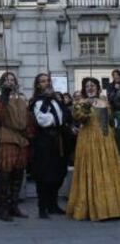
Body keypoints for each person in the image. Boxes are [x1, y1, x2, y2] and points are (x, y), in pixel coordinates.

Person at [67, 77, 120, 221]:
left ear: (98, 87)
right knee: (93, 170)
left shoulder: (105, 102)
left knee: (109, 171)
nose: (90, 88)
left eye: (93, 85)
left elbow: (110, 120)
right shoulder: (81, 102)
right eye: (87, 86)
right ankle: (94, 208)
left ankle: (113, 208)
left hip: (106, 139)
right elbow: (79, 117)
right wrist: (85, 105)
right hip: (89, 139)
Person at [0, 72, 33, 222]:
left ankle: (14, 206)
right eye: (6, 80)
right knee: (5, 175)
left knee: (18, 175)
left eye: (12, 80)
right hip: (8, 139)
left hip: (22, 140)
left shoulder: (22, 99)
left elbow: (28, 119)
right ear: (2, 83)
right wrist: (4, 95)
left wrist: (29, 135)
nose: (10, 82)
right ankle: (3, 209)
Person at [29, 73, 67, 219]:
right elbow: (43, 120)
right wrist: (56, 119)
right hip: (44, 142)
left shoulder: (57, 100)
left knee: (58, 174)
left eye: (48, 81)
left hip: (59, 141)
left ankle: (53, 205)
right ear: (38, 85)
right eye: (43, 81)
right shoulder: (37, 101)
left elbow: (65, 116)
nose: (47, 83)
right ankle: (42, 208)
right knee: (44, 175)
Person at [108, 69, 120, 152]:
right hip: (116, 112)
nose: (116, 76)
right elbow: (110, 98)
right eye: (114, 75)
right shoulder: (111, 86)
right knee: (117, 132)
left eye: (117, 75)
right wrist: (116, 90)